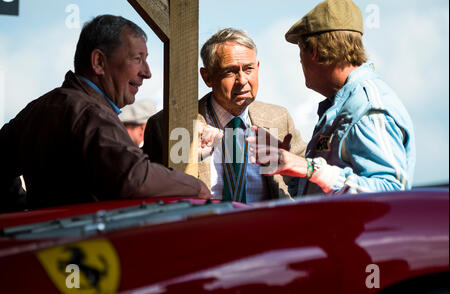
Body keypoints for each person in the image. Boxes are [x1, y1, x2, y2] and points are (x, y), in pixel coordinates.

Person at [0, 14, 210, 212]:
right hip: (89, 244)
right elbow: (134, 177)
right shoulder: (91, 114)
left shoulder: (41, 107)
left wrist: (25, 215)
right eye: (137, 59)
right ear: (99, 62)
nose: (147, 72)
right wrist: (196, 187)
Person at [248, 0, 415, 196]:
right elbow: (322, 189)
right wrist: (290, 166)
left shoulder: (367, 109)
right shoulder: (345, 105)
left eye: (300, 48)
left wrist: (309, 168)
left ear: (315, 52)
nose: (300, 59)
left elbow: (392, 193)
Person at [144, 28, 307, 203]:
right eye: (230, 71)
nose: (242, 80)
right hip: (203, 226)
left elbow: (307, 178)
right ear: (207, 77)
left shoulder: (278, 118)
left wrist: (288, 163)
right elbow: (147, 187)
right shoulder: (167, 125)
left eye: (249, 69)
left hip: (266, 227)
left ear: (258, 67)